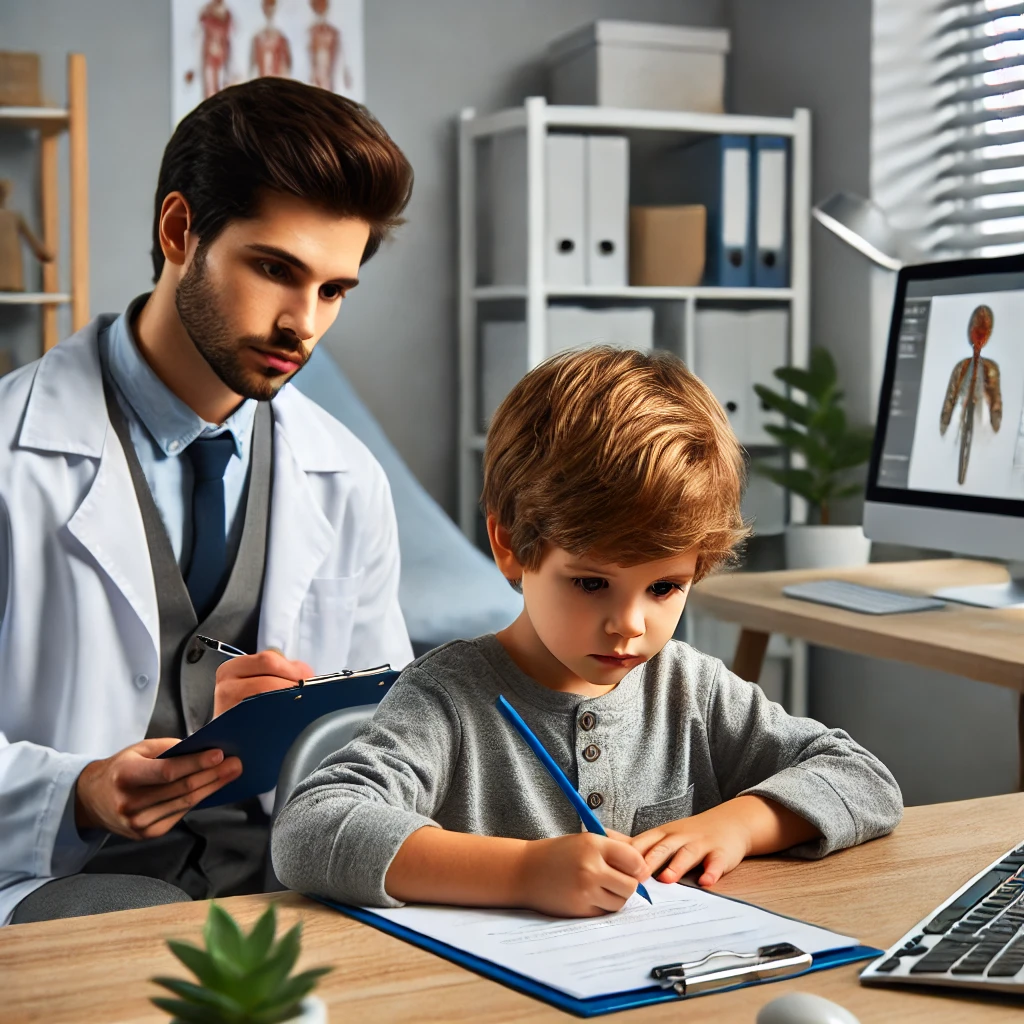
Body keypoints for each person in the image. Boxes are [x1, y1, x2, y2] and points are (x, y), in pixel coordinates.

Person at [272, 347, 903, 918]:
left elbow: (864, 779)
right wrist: (522, 872)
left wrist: (736, 825)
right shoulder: (448, 698)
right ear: (510, 545)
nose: (629, 624)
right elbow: (310, 829)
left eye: (664, 588)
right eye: (591, 583)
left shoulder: (688, 688)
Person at [0, 77, 414, 925]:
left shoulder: (347, 476)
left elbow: (382, 738)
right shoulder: (13, 458)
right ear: (181, 230)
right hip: (55, 881)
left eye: (333, 291)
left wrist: (289, 731)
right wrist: (77, 789)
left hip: (283, 879)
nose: (305, 323)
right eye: (276, 270)